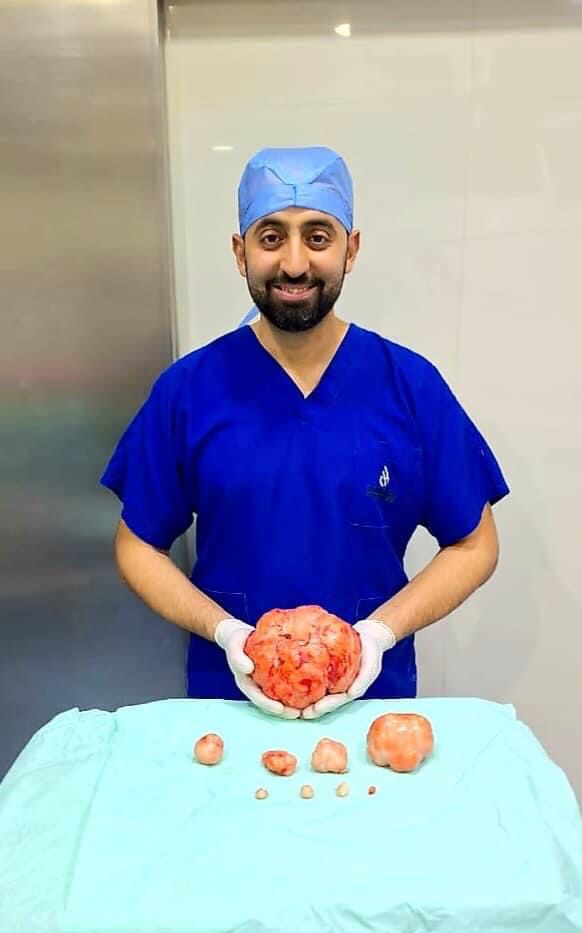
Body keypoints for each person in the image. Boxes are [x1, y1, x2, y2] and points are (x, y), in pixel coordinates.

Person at [101, 146, 509, 720]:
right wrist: (223, 632)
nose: (295, 264)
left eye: (318, 237)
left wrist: (379, 636)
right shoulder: (188, 391)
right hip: (229, 703)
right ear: (240, 253)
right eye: (271, 238)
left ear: (351, 249)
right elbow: (137, 544)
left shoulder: (410, 386)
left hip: (371, 705)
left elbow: (474, 543)